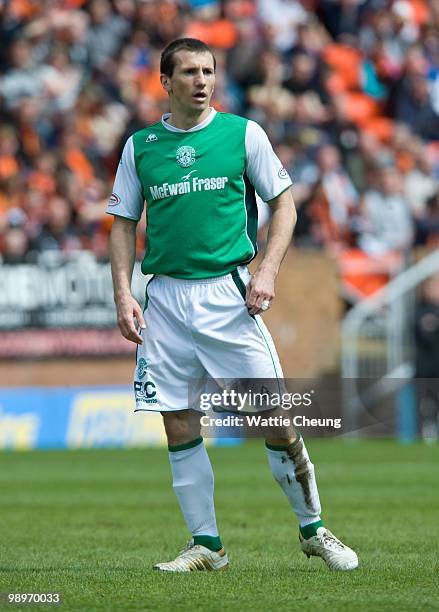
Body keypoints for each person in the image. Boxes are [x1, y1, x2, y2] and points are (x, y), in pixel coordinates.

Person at [107, 37, 358, 573]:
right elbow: (124, 222)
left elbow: (284, 206)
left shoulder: (244, 135)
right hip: (166, 301)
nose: (201, 80)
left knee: (277, 419)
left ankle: (314, 529)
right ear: (165, 82)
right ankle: (208, 545)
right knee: (179, 425)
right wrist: (123, 292)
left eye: (208, 71)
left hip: (227, 294)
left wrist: (266, 271)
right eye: (190, 72)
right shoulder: (140, 146)